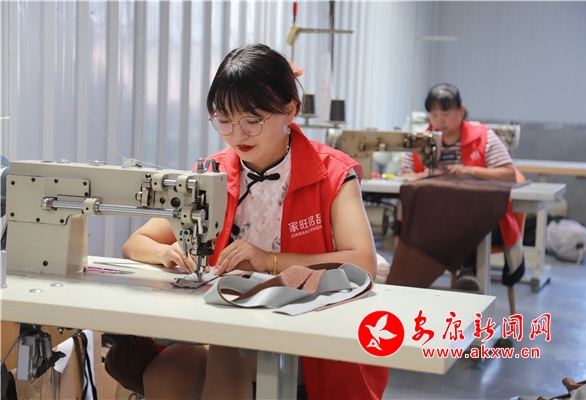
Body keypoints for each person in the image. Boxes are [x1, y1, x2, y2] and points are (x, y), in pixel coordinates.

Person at [120, 43, 388, 399]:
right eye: (224, 120)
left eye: (252, 121)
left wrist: (269, 261)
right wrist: (165, 253)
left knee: (225, 353)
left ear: (290, 110)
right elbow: (135, 243)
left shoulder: (332, 174)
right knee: (167, 372)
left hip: (304, 329)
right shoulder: (212, 174)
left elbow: (363, 263)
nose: (237, 135)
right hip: (226, 323)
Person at [399, 82, 524, 291]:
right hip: (436, 219)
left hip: (483, 220)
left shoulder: (483, 137)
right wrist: (424, 176)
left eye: (445, 113)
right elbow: (404, 176)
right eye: (433, 114)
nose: (439, 120)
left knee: (465, 219)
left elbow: (508, 173)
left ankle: (465, 271)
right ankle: (412, 284)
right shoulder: (421, 140)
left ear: (461, 110)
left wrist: (470, 171)